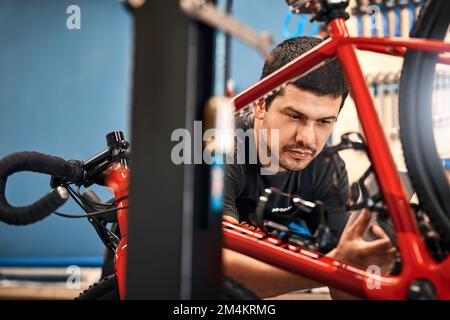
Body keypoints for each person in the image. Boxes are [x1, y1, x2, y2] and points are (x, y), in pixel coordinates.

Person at [222, 36, 396, 299]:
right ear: (259, 104)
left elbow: (344, 284)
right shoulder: (216, 150)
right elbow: (216, 271)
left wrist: (367, 268)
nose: (307, 138)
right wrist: (334, 269)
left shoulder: (328, 169)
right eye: (295, 116)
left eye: (324, 122)